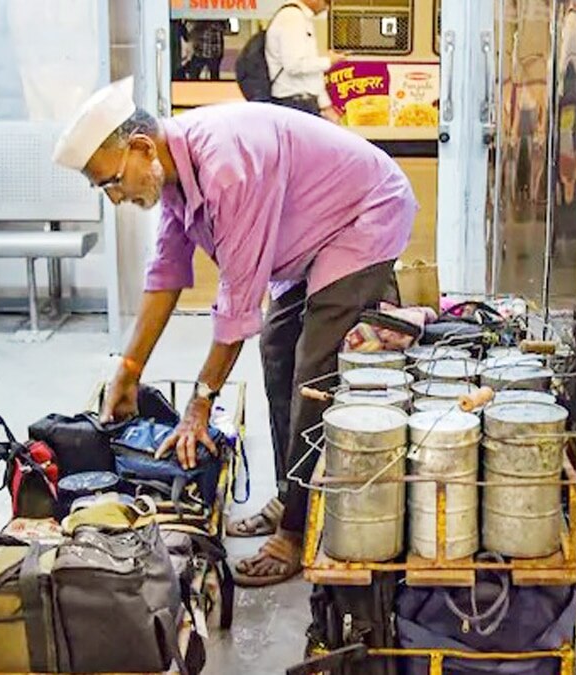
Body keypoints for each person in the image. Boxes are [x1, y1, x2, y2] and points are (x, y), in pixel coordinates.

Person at [52, 77, 417, 586]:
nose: (116, 198)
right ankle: (293, 492)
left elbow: (238, 301)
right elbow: (166, 275)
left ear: (140, 148)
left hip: (365, 214)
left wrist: (200, 403)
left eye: (111, 182)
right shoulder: (174, 175)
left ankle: (296, 528)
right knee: (276, 347)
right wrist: (128, 371)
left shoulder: (226, 168)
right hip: (314, 230)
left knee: (314, 370)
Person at [265, 0, 343, 121]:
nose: (326, 7)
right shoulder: (292, 17)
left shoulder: (300, 17)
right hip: (294, 102)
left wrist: (325, 105)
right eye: (326, 2)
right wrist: (327, 61)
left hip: (301, 102)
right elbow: (294, 65)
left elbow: (308, 73)